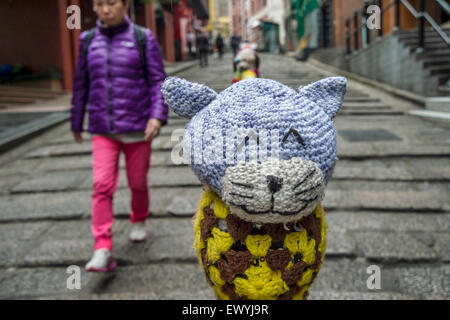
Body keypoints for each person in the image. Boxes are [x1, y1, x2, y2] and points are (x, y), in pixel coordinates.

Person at [70, 0, 168, 272]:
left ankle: (138, 219)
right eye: (99, 4)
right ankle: (102, 246)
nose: (104, 9)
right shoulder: (87, 40)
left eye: (111, 3)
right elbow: (81, 84)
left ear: (125, 5)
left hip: (138, 127)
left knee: (137, 182)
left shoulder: (142, 37)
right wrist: (76, 120)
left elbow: (158, 80)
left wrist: (156, 116)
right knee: (101, 185)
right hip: (103, 128)